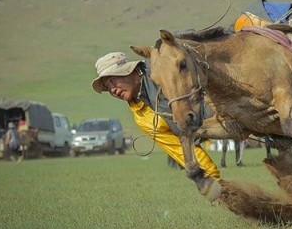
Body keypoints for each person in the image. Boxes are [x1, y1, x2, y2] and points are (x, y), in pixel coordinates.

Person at [91, 51, 222, 200]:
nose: (112, 90)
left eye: (112, 81)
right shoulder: (141, 117)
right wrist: (213, 181)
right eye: (107, 88)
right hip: (218, 126)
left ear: (128, 71)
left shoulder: (160, 71)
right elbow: (179, 149)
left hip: (232, 105)